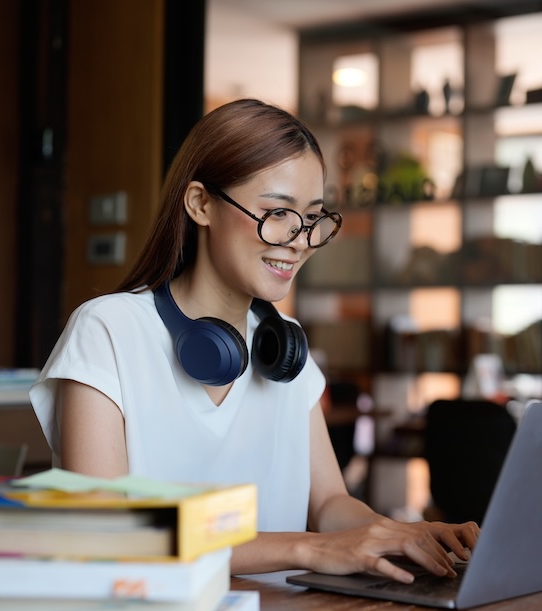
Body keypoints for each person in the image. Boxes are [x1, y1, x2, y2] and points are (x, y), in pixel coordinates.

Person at [30, 99, 478, 583]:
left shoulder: (286, 346)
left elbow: (329, 503)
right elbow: (107, 530)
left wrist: (402, 534)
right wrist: (308, 550)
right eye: (278, 212)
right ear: (201, 203)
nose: (300, 240)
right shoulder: (107, 331)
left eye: (311, 218)